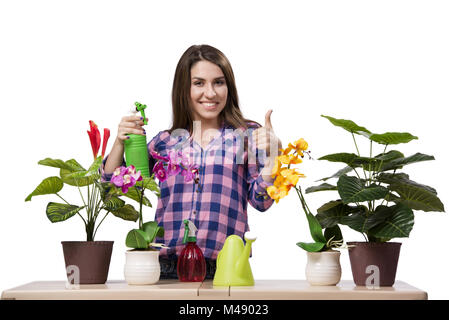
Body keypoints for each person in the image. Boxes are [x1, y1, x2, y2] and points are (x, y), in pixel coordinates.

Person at [101, 44, 282, 279]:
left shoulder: (245, 136)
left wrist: (274, 156)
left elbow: (262, 202)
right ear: (183, 89)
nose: (211, 93)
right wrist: (119, 141)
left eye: (218, 82)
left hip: (225, 269)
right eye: (199, 83)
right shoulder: (165, 142)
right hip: (166, 267)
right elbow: (113, 185)